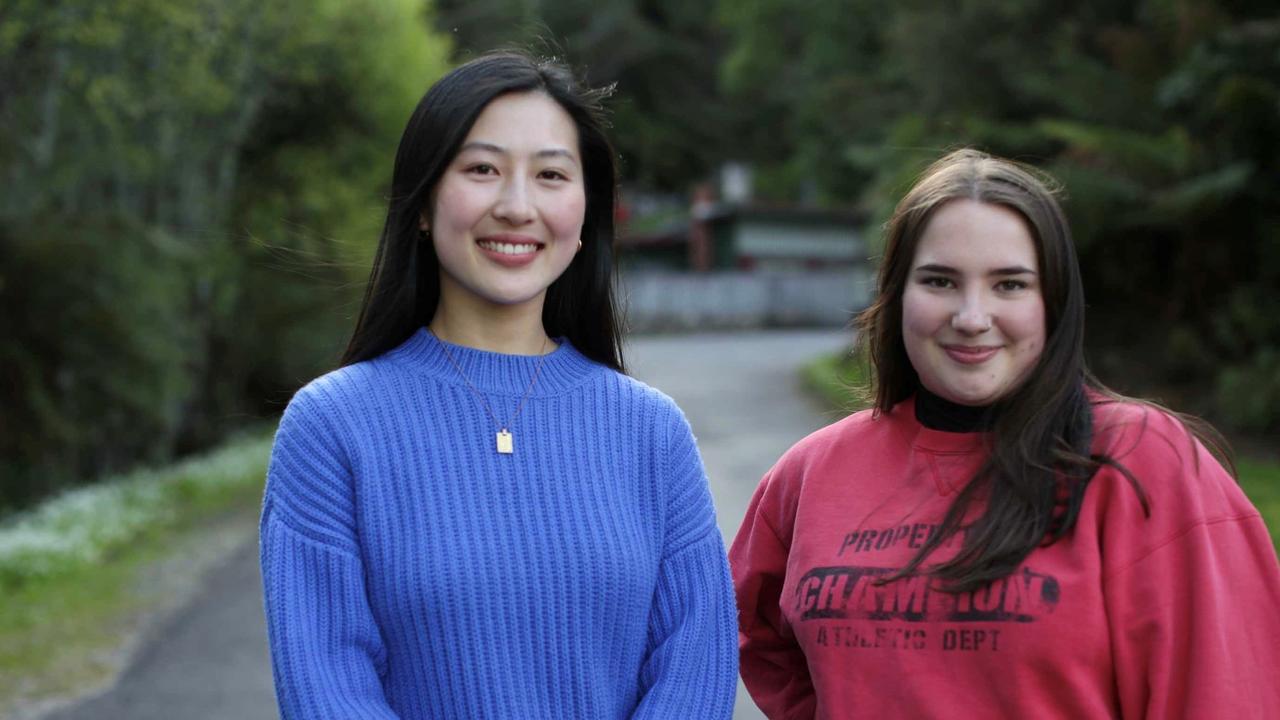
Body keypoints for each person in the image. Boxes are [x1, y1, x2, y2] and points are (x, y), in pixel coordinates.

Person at [259, 51, 737, 719]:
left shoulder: (653, 434)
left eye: (550, 175)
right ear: (423, 204)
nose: (517, 207)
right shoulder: (332, 427)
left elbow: (693, 669)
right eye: (482, 169)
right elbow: (328, 685)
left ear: (584, 215)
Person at [731, 148, 1280, 719]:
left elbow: (1226, 693)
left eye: (1010, 285)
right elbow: (745, 629)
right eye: (940, 281)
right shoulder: (812, 472)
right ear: (896, 297)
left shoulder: (1142, 462)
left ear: (1054, 302)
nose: (971, 316)